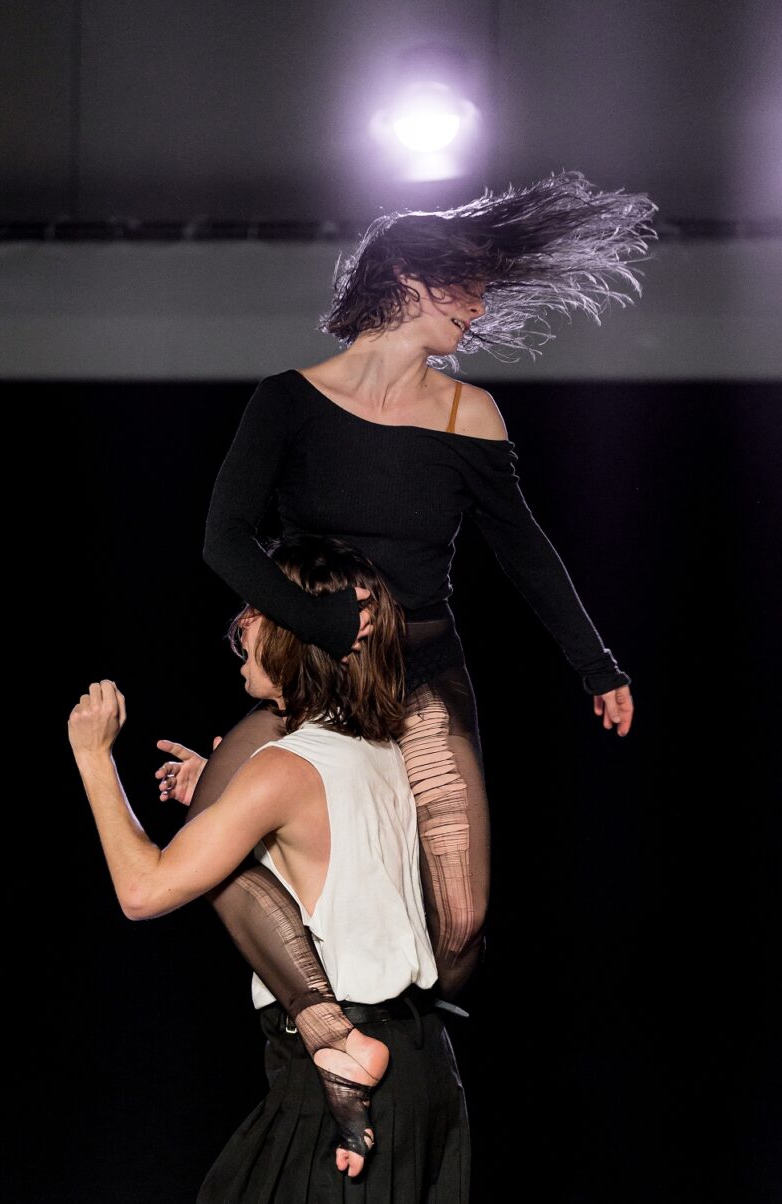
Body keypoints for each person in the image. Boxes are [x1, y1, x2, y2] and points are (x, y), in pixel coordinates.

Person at [155, 167, 654, 1158]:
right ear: (413, 283)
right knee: (202, 842)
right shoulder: (289, 401)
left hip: (421, 670)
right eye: (463, 287)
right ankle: (321, 1025)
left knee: (462, 925)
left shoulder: (469, 414)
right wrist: (318, 622)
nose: (475, 308)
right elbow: (224, 540)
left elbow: (521, 547)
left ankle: (390, 1023)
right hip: (313, 672)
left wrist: (595, 662)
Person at [69, 535, 470, 1200]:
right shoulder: (376, 747)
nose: (241, 623)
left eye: (257, 607)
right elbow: (327, 854)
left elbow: (142, 890)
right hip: (422, 1072)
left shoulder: (284, 767)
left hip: (345, 1079)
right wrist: (229, 799)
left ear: (296, 628)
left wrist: (93, 756)